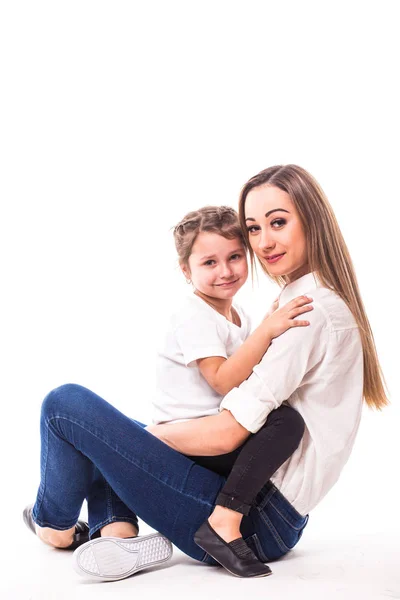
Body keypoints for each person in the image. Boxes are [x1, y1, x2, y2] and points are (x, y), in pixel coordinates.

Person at [23, 164, 388, 583]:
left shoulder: (305, 313)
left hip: (248, 518)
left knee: (64, 405)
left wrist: (142, 438)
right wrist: (131, 439)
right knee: (110, 436)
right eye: (253, 228)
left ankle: (52, 524)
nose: (264, 242)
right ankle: (119, 534)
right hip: (268, 511)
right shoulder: (300, 299)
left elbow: (228, 433)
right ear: (188, 269)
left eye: (278, 222)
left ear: (312, 219)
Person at [149, 205, 314, 576]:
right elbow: (222, 379)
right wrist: (267, 330)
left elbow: (251, 373)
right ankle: (222, 524)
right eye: (209, 262)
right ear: (185, 270)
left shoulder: (237, 314)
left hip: (218, 428)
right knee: (285, 423)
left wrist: (268, 325)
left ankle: (215, 518)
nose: (225, 271)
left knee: (282, 420)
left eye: (235, 257)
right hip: (189, 435)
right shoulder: (194, 314)